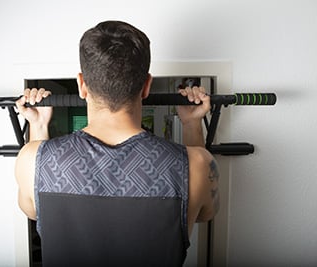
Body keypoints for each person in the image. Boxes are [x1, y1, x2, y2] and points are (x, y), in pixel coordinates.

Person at [15, 20, 219, 265]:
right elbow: (204, 213)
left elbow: (34, 210)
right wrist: (192, 125)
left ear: (81, 84)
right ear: (146, 86)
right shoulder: (198, 164)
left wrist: (38, 127)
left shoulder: (31, 160)